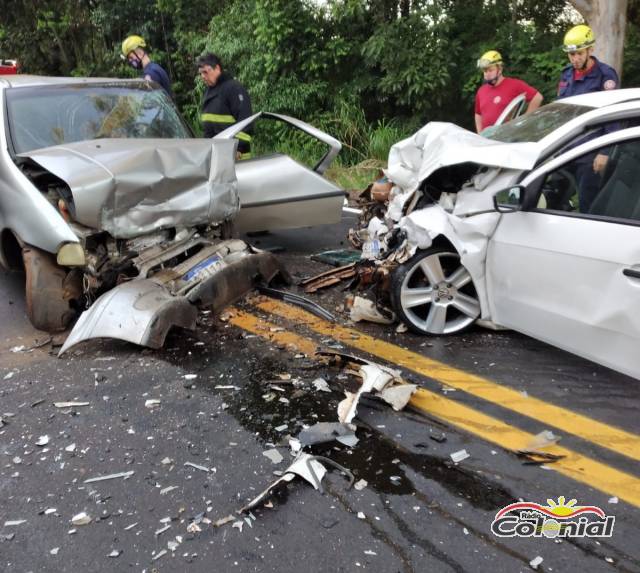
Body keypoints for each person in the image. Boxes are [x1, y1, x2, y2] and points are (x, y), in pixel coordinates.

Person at [557, 24, 620, 212]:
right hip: (567, 147)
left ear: (590, 50)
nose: (575, 59)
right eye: (571, 54)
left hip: (591, 150)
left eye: (579, 54)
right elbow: (561, 110)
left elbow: (613, 115)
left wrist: (605, 152)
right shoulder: (566, 74)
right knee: (552, 196)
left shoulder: (605, 75)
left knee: (588, 205)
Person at [196, 53, 253, 159]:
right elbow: (208, 129)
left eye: (205, 72)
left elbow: (246, 123)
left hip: (237, 157)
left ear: (217, 68)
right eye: (200, 73)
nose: (203, 77)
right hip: (217, 156)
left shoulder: (234, 89)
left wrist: (237, 148)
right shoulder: (208, 92)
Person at [474, 50, 543, 133]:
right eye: (485, 71)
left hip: (508, 138)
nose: (487, 74)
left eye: (490, 70)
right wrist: (480, 134)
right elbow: (478, 114)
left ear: (500, 69)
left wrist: (525, 120)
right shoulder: (481, 91)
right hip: (487, 141)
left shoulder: (514, 85)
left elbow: (537, 97)